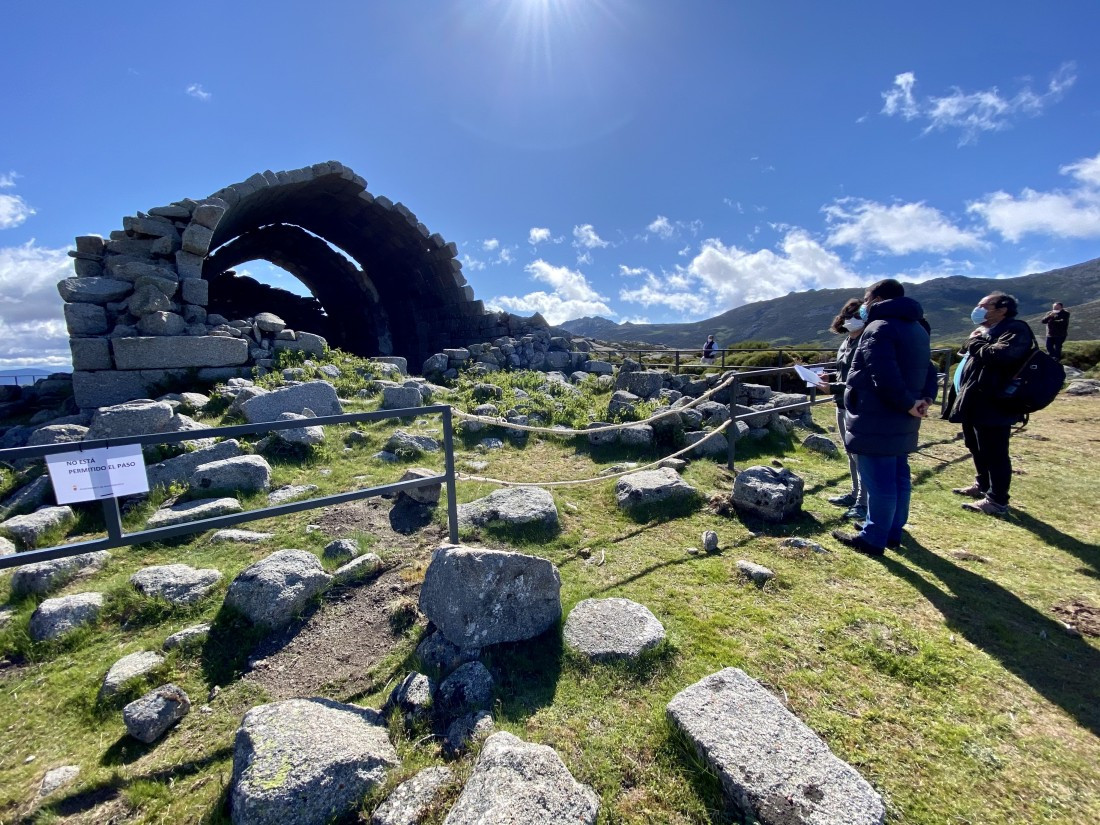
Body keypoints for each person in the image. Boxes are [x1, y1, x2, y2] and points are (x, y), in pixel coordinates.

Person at [831, 279, 939, 557]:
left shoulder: (879, 329)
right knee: (899, 475)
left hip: (877, 415)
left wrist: (906, 403)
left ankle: (873, 538)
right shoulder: (917, 329)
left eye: (867, 298)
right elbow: (928, 369)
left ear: (878, 298)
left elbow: (883, 375)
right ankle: (892, 531)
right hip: (904, 415)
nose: (865, 304)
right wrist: (923, 400)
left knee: (879, 480)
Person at [943, 291, 1034, 516]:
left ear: (1002, 309)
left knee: (995, 451)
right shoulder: (987, 331)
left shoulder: (1015, 330)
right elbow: (970, 350)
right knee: (975, 445)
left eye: (984, 305)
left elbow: (1000, 356)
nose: (978, 309)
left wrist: (975, 340)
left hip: (994, 402)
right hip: (974, 401)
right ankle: (983, 484)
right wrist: (977, 338)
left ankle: (997, 500)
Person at [821, 298, 868, 520]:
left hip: (859, 406)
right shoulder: (847, 341)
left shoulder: (868, 341)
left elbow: (861, 379)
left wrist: (833, 386)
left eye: (857, 314)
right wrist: (830, 379)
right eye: (848, 313)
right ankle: (855, 492)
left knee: (861, 455)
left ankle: (864, 503)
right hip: (842, 403)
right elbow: (845, 372)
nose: (851, 318)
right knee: (851, 453)